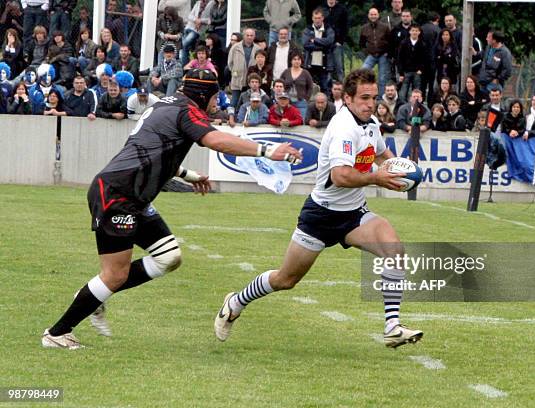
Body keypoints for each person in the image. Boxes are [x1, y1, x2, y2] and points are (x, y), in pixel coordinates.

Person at [42, 69, 301, 349]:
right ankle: (57, 333)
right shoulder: (187, 112)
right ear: (202, 96)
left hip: (132, 196)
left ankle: (94, 294)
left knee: (169, 257)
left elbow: (155, 153)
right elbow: (215, 140)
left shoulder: (164, 105)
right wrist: (266, 150)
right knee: (115, 274)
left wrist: (190, 175)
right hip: (117, 195)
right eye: (214, 97)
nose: (216, 103)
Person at [215, 68, 423, 349]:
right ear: (347, 99)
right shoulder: (343, 129)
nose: (370, 103)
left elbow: (379, 153)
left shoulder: (370, 123)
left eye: (373, 97)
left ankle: (392, 327)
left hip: (353, 215)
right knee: (285, 280)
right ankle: (236, 301)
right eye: (364, 97)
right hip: (321, 215)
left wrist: (400, 169)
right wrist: (378, 178)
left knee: (394, 250)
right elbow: (340, 176)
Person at [302, 8, 334, 96]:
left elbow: (330, 41)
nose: (317, 20)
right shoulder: (307, 30)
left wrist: (315, 40)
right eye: (315, 18)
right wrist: (322, 46)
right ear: (312, 18)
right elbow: (306, 44)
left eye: (319, 18)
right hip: (309, 64)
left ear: (323, 18)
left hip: (324, 65)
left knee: (325, 89)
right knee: (308, 89)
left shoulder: (328, 29)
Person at [359, 8, 390, 99]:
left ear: (378, 15)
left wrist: (387, 52)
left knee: (382, 78)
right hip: (371, 55)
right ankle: (364, 93)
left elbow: (390, 41)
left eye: (375, 14)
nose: (373, 16)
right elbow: (361, 43)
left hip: (383, 55)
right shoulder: (364, 28)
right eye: (371, 14)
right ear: (368, 16)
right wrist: (366, 52)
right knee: (363, 72)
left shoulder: (385, 27)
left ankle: (380, 99)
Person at [227, 27, 260, 109]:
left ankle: (244, 118)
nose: (249, 37)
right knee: (234, 101)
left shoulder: (258, 49)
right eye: (247, 35)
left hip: (251, 81)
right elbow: (230, 63)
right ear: (244, 36)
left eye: (251, 35)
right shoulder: (235, 47)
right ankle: (230, 117)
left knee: (248, 102)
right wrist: (235, 72)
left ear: (254, 36)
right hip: (237, 79)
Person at [397, 23, 426, 103]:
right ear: (409, 32)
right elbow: (400, 58)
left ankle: (416, 107)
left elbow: (424, 59)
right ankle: (403, 107)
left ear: (419, 32)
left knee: (416, 92)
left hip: (417, 72)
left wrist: (421, 69)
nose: (414, 32)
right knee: (403, 92)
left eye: (416, 31)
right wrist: (401, 73)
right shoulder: (404, 43)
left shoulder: (422, 44)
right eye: (413, 30)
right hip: (406, 71)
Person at [280, 51, 313, 121]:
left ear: (301, 61)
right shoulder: (286, 72)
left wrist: (306, 99)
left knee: (301, 121)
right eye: (294, 59)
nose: (297, 61)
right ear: (291, 61)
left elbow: (310, 87)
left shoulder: (306, 73)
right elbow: (280, 84)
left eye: (299, 59)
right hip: (287, 103)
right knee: (287, 121)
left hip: (301, 103)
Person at [321, 0, 348, 82]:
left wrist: (340, 41)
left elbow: (345, 27)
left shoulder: (342, 9)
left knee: (339, 67)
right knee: (327, 68)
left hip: (337, 43)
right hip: (325, 43)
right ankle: (327, 90)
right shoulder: (322, 9)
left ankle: (342, 88)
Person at [180, 0, 209, 67]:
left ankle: (184, 67)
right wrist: (196, 20)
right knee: (184, 48)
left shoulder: (211, 3)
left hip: (197, 30)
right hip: (188, 27)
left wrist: (201, 21)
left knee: (183, 45)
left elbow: (209, 20)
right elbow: (190, 15)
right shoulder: (198, 2)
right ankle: (185, 66)